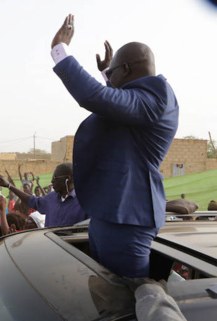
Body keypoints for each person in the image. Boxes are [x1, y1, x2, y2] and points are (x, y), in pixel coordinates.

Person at [50, 15, 178, 278]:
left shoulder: (157, 95)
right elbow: (118, 104)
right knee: (106, 291)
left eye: (115, 71)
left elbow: (100, 98)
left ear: (128, 69)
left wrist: (60, 51)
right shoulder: (144, 101)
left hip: (126, 220)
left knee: (124, 302)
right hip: (113, 214)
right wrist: (109, 73)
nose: (110, 76)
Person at [0, 163, 88, 228]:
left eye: (55, 178)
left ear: (68, 179)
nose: (52, 181)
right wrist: (9, 186)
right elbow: (31, 200)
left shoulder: (85, 203)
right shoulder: (51, 198)